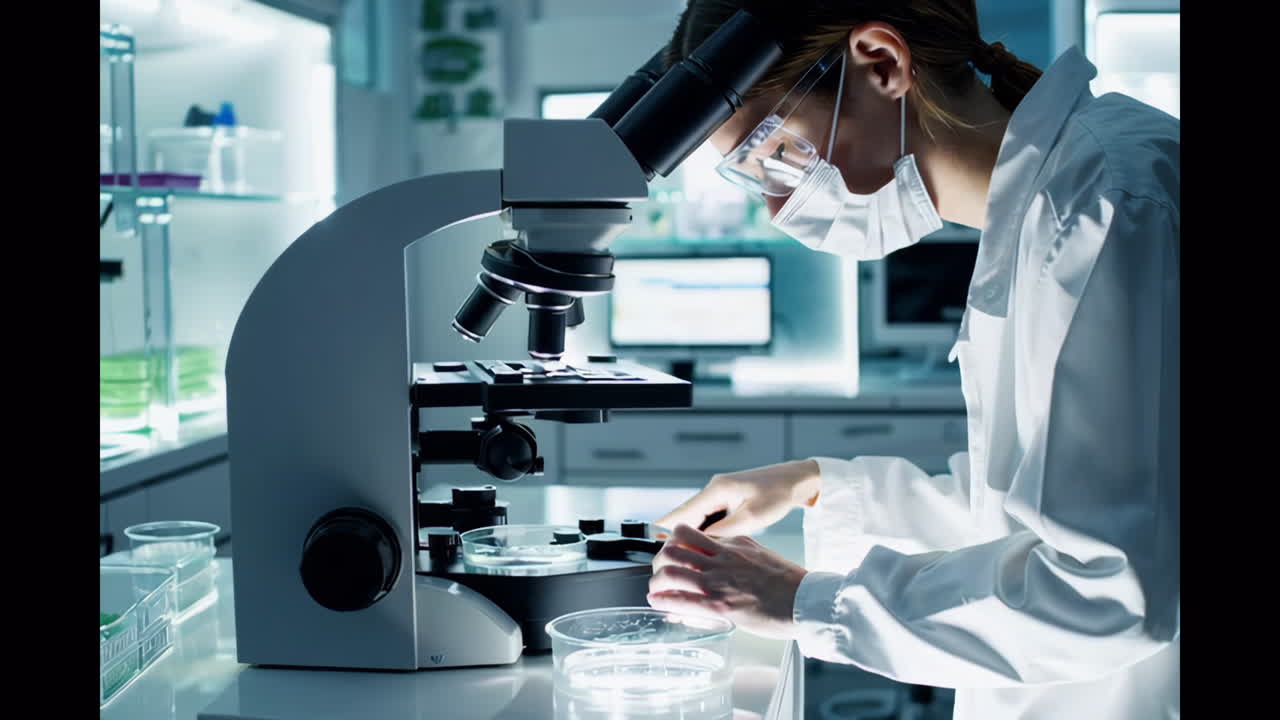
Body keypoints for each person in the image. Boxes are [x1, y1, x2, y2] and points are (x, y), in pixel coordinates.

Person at [646, 2, 1179, 719]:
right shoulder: (1049, 208)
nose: (775, 207)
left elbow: (1105, 592)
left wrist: (800, 602)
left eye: (772, 154)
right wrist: (818, 487)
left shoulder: (1108, 208)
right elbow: (1036, 515)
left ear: (882, 65)